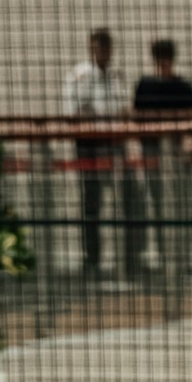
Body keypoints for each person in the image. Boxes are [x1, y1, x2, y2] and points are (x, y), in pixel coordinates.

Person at [132, 37, 192, 285]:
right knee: (160, 207)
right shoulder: (146, 86)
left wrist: (186, 144)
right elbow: (138, 121)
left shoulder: (182, 86)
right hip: (154, 159)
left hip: (178, 159)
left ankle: (183, 260)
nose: (164, 65)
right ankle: (165, 260)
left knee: (182, 208)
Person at [62, 26, 126, 284]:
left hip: (113, 143)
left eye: (106, 47)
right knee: (91, 205)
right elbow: (73, 113)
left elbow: (122, 109)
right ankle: (93, 262)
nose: (103, 52)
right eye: (99, 47)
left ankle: (125, 263)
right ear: (91, 48)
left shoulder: (116, 76)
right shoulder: (79, 76)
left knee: (123, 202)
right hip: (88, 145)